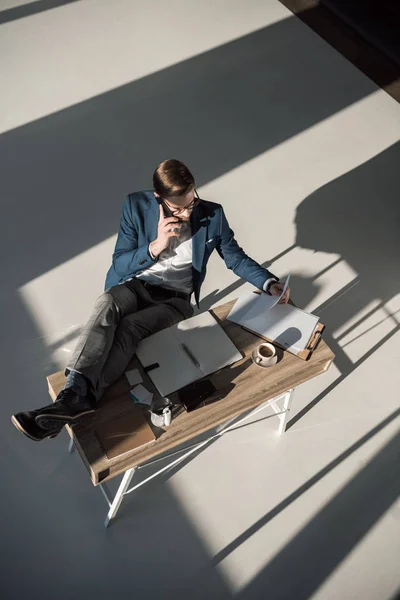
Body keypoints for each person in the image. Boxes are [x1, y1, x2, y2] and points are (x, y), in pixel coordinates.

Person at [12, 159, 290, 442]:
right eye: (178, 207)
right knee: (107, 302)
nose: (186, 211)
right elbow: (120, 265)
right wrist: (155, 246)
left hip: (175, 301)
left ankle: (72, 400)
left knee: (130, 328)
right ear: (159, 197)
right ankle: (74, 396)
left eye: (191, 202)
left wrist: (268, 282)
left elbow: (234, 257)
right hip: (135, 285)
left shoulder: (212, 214)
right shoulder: (135, 206)